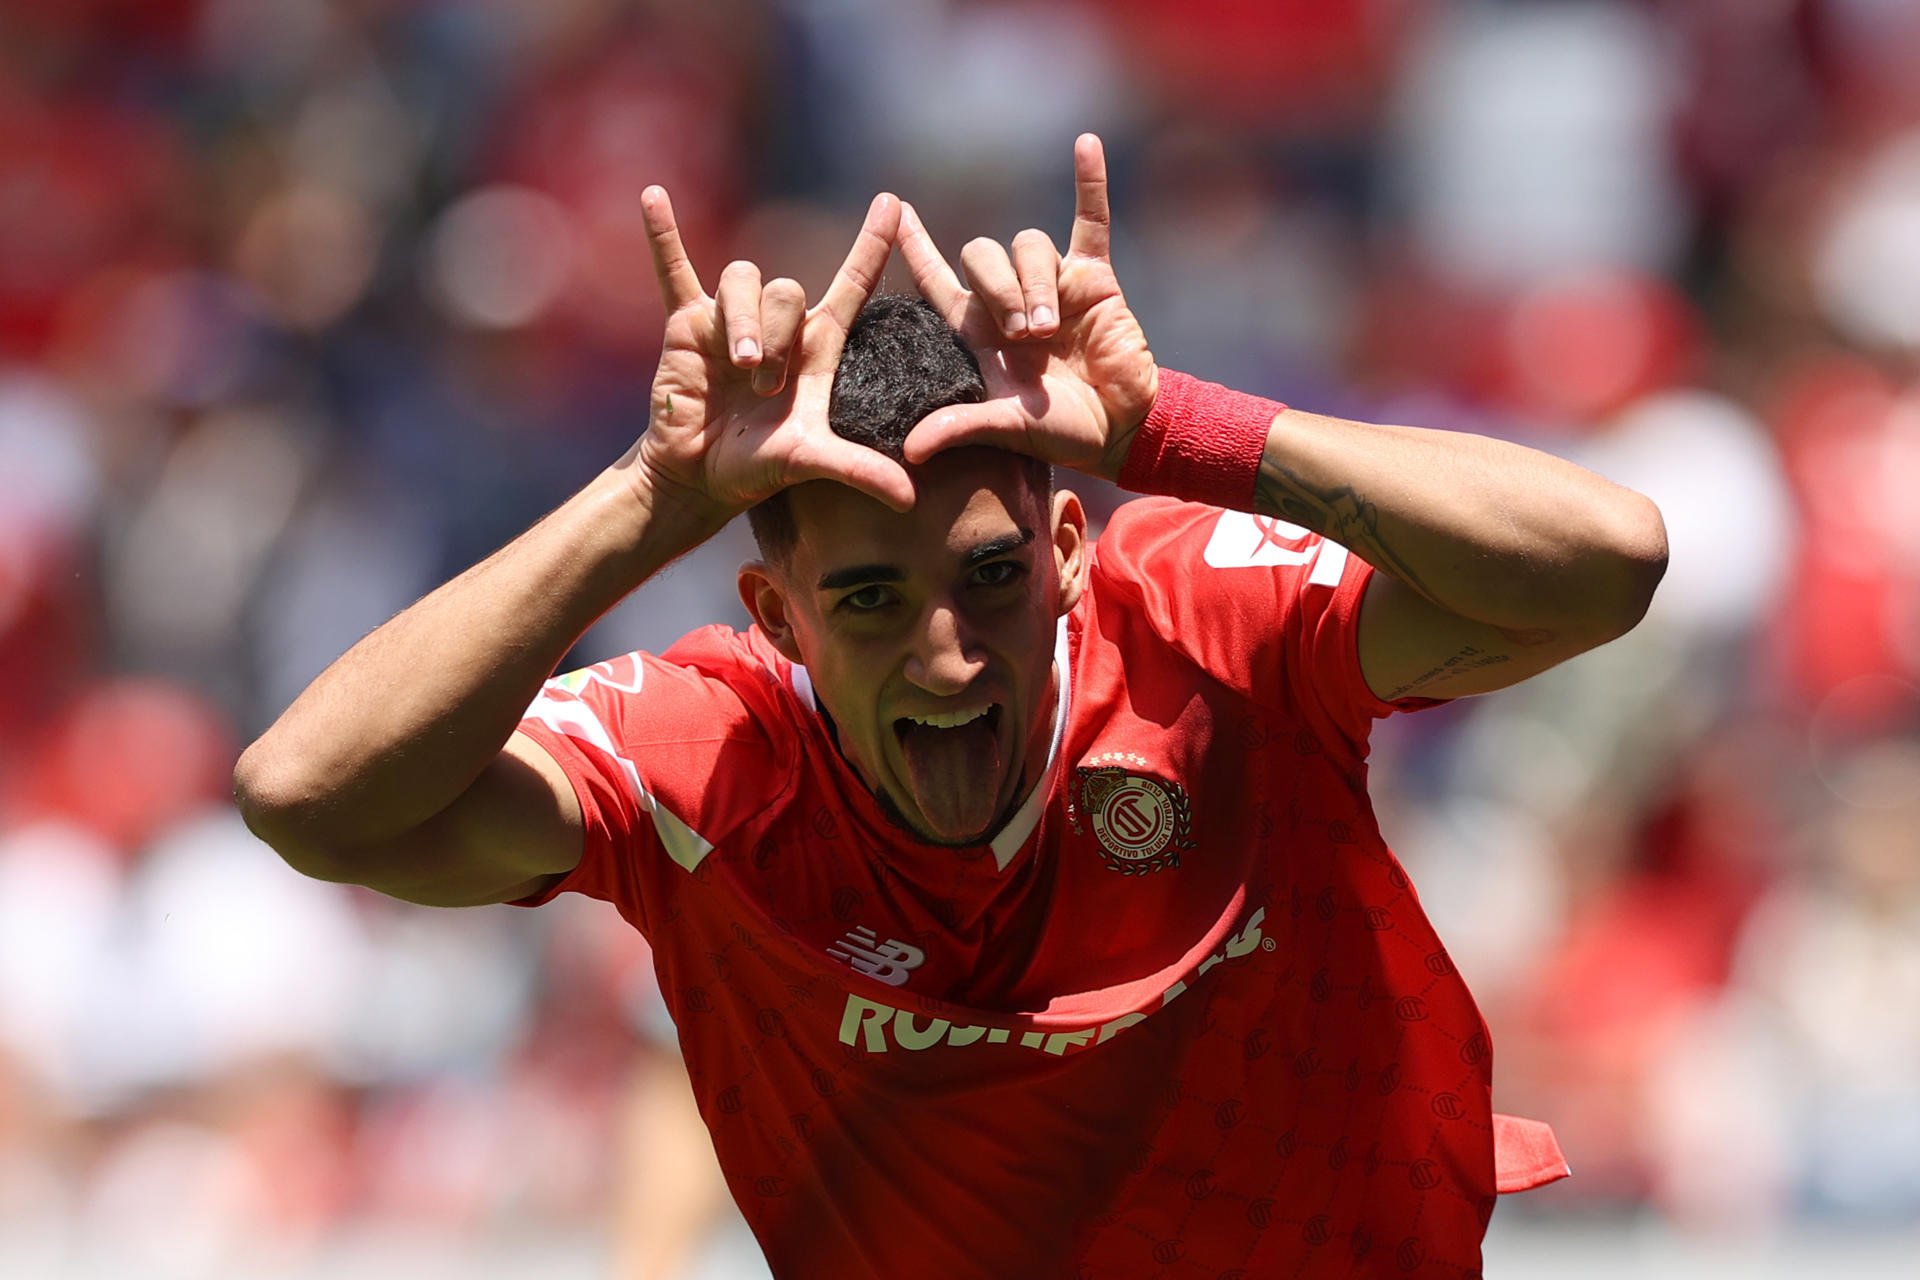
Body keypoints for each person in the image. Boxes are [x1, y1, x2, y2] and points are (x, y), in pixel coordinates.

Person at [236, 135, 1666, 1278]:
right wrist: (647, 501)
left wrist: (1178, 430)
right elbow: (309, 794)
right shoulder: (707, 753)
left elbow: (1605, 566)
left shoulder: (1207, 622)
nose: (944, 653)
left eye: (988, 575)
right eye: (866, 600)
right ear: (776, 619)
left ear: (1064, 553)